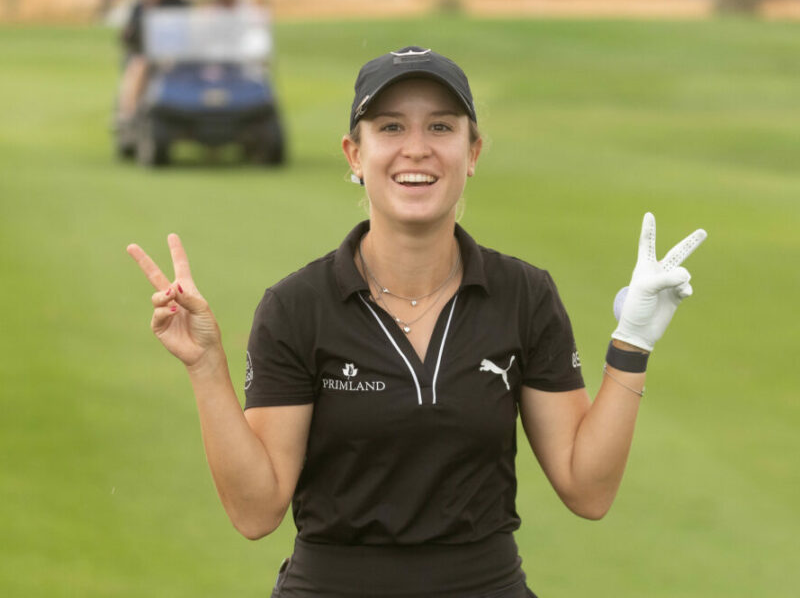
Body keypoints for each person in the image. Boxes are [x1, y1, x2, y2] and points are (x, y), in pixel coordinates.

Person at [126, 46, 707, 597]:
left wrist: (631, 344)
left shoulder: (523, 295)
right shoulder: (298, 306)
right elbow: (256, 512)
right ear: (355, 155)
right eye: (391, 127)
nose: (417, 148)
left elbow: (589, 488)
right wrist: (204, 365)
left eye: (441, 127)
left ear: (472, 151)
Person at [117, 0, 189, 120]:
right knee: (140, 64)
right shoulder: (139, 8)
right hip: (145, 54)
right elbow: (129, 37)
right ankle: (128, 112)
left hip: (173, 53)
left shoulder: (177, 5)